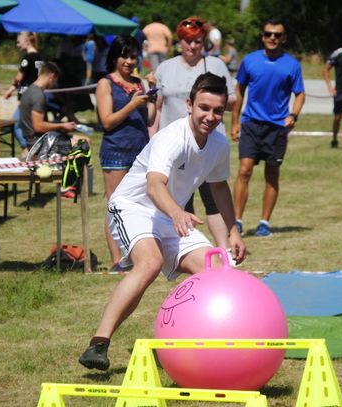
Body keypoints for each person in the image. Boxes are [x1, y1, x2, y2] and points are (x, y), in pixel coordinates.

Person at [79, 72, 246, 371]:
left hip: (169, 213)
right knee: (150, 262)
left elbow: (219, 189)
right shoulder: (171, 137)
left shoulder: (219, 146)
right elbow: (154, 185)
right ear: (189, 105)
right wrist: (177, 213)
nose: (210, 116)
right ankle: (98, 343)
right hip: (133, 206)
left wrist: (231, 234)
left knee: (218, 271)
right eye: (204, 108)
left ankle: (195, 344)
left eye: (217, 111)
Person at [155, 16, 236, 250]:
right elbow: (157, 106)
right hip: (176, 146)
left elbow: (231, 99)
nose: (192, 46)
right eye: (187, 41)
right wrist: (153, 136)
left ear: (205, 43)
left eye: (198, 42)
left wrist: (214, 101)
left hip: (207, 144)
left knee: (213, 199)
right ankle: (187, 249)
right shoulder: (165, 68)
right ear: (179, 42)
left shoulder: (216, 65)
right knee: (181, 200)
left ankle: (224, 248)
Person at [231, 18, 305, 237]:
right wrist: (235, 122)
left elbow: (300, 93)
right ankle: (236, 221)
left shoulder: (292, 64)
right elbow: (239, 91)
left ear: (284, 38)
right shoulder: (250, 61)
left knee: (272, 174)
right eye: (268, 34)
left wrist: (293, 115)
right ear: (263, 36)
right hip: (252, 123)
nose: (272, 38)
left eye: (277, 35)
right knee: (244, 170)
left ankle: (265, 222)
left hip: (277, 127)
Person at [96, 36, 157, 271]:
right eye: (125, 56)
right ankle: (116, 260)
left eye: (133, 57)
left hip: (141, 151)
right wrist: (132, 104)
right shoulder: (106, 83)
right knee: (116, 204)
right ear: (115, 57)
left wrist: (152, 95)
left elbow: (150, 119)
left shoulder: (139, 83)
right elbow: (107, 121)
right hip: (116, 152)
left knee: (140, 204)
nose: (130, 61)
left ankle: (137, 254)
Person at [18, 61, 77, 150]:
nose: (54, 84)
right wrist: (61, 125)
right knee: (84, 142)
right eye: (55, 81)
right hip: (39, 142)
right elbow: (38, 126)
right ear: (52, 76)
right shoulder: (37, 95)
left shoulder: (29, 91)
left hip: (32, 139)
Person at [4, 32, 43, 159]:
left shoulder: (28, 57)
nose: (17, 44)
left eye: (18, 41)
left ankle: (28, 147)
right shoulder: (40, 56)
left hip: (26, 97)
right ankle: (32, 149)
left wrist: (10, 89)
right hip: (36, 95)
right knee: (30, 125)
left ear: (27, 41)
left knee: (16, 123)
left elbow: (19, 77)